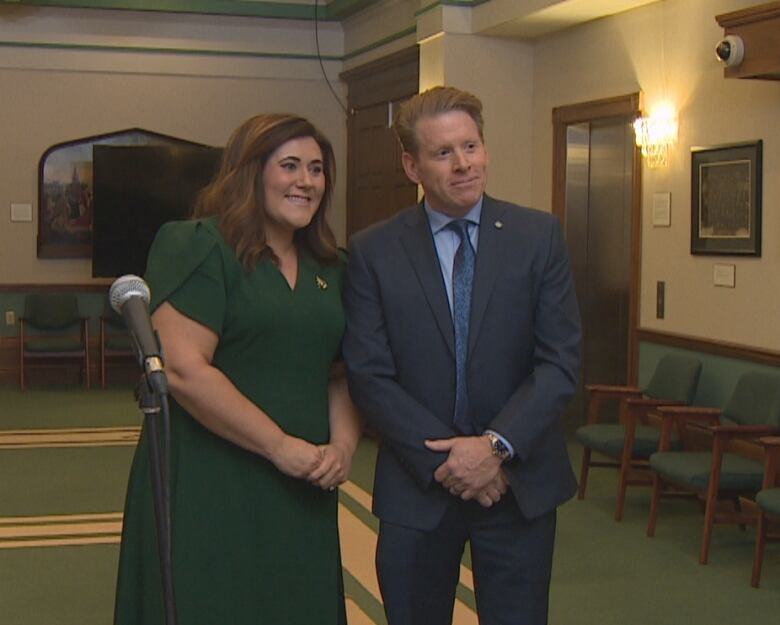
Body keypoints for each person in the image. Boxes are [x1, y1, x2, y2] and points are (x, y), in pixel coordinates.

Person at [342, 86, 581, 625]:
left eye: (470, 147)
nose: (463, 164)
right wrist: (452, 464)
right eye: (443, 153)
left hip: (517, 487)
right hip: (418, 488)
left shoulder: (537, 236)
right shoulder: (372, 251)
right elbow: (369, 374)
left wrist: (494, 448)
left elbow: (560, 361)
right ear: (412, 165)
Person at [114, 114, 361, 625]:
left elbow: (339, 372)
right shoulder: (200, 244)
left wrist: (342, 446)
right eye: (289, 165)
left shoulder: (333, 265)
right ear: (249, 173)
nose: (306, 181)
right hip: (213, 478)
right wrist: (278, 445)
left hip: (304, 481)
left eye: (316, 170)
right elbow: (182, 370)